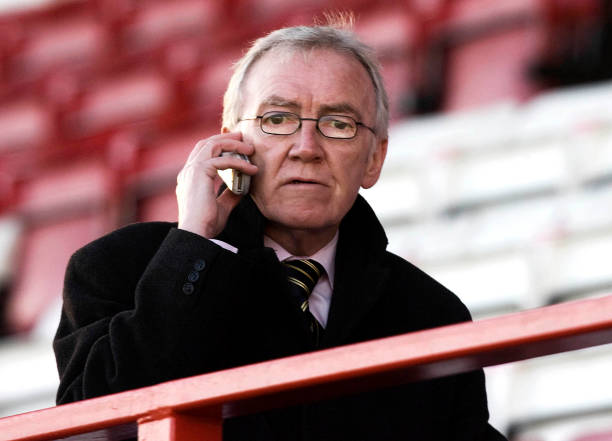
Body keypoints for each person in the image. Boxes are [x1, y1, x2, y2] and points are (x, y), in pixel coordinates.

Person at [53, 20, 507, 441]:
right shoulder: (117, 268)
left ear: (374, 159)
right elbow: (91, 421)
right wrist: (193, 243)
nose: (306, 148)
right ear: (231, 142)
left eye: (338, 124)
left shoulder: (431, 314)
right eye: (277, 120)